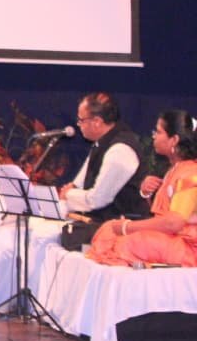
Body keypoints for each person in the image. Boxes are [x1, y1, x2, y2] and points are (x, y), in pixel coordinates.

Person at [86, 109, 197, 267]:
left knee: (131, 242)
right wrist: (147, 194)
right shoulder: (174, 170)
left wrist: (128, 227)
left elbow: (174, 223)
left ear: (174, 140)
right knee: (108, 229)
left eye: (158, 132)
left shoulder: (190, 173)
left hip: (188, 248)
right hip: (171, 239)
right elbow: (163, 215)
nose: (154, 136)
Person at [58, 91, 148, 223]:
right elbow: (78, 184)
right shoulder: (101, 143)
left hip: (119, 226)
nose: (78, 125)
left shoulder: (120, 150)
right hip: (98, 221)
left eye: (81, 120)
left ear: (97, 122)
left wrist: (68, 194)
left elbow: (97, 199)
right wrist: (71, 191)